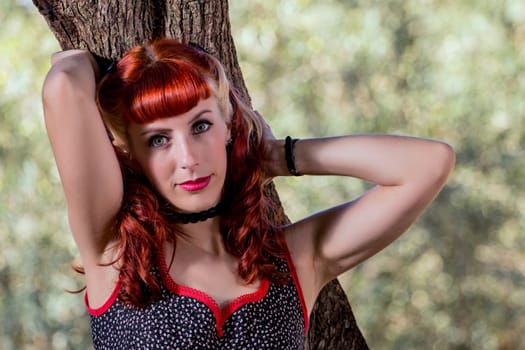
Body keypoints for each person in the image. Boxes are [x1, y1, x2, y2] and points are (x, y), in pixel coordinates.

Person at [41, 38, 455, 349]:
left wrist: (280, 155)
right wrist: (101, 64)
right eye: (158, 140)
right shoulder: (115, 248)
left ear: (227, 126)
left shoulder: (294, 261)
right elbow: (64, 83)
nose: (187, 158)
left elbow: (428, 165)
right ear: (132, 155)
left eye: (200, 126)